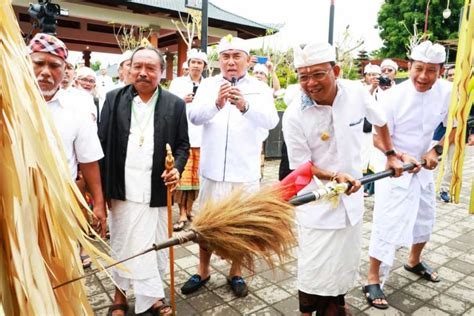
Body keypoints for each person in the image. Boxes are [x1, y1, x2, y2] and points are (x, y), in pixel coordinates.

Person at [282, 42, 402, 316]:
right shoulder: (293, 115)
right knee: (314, 267)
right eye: (303, 76)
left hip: (352, 201)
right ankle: (308, 311)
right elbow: (301, 166)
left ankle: (337, 304)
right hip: (317, 204)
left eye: (318, 74)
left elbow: (380, 120)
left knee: (344, 263)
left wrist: (392, 155)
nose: (310, 83)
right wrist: (335, 176)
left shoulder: (357, 93)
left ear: (335, 70)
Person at [181, 34, 279, 297]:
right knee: (205, 223)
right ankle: (203, 270)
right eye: (226, 56)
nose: (231, 62)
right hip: (212, 169)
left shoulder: (260, 88)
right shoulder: (209, 85)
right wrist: (216, 104)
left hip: (244, 171)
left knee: (241, 225)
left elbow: (271, 120)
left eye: (237, 56)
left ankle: (236, 271)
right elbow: (193, 116)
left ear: (247, 60)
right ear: (219, 60)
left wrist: (244, 105)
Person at [99, 45, 189, 316]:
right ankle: (119, 293)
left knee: (154, 244)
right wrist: (100, 195)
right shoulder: (113, 99)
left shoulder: (174, 103)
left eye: (151, 68)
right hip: (122, 188)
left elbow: (183, 145)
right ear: (128, 69)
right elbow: (100, 144)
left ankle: (152, 297)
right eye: (137, 66)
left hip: (156, 190)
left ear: (161, 72)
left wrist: (178, 170)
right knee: (123, 242)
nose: (143, 73)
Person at [366, 41, 454, 309]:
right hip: (395, 168)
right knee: (387, 222)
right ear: (409, 66)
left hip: (424, 168)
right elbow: (378, 138)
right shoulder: (391, 96)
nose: (424, 77)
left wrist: (435, 150)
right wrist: (400, 155)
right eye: (419, 69)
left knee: (425, 217)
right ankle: (372, 278)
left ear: (441, 70)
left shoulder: (449, 91)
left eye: (432, 70)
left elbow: (451, 126)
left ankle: (414, 261)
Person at [27, 33, 107, 267]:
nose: (45, 72)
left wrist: (99, 205)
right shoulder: (9, 103)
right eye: (38, 63)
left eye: (54, 66)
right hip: (15, 199)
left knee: (60, 265)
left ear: (64, 71)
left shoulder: (77, 108)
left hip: (60, 200)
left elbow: (89, 160)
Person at [169, 48, 208, 231]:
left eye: (200, 63)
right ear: (188, 64)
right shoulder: (177, 84)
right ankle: (182, 212)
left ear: (204, 66)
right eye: (193, 62)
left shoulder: (209, 85)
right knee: (182, 178)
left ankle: (190, 209)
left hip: (202, 137)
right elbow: (168, 104)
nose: (196, 66)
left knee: (196, 179)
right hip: (183, 135)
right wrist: (181, 101)